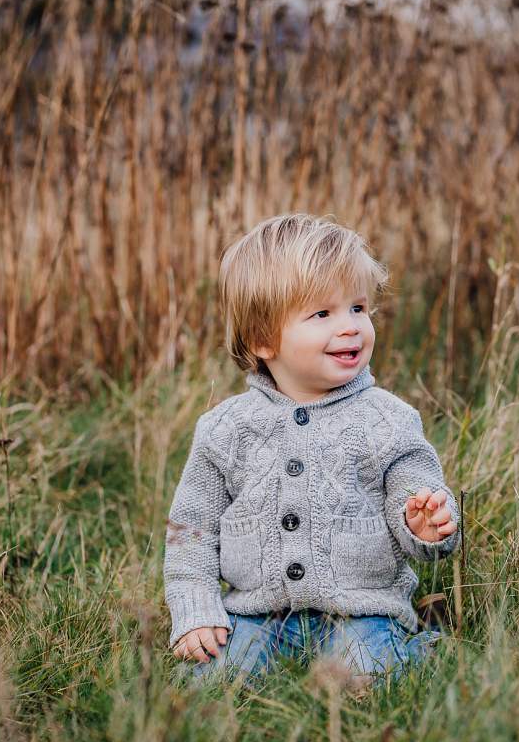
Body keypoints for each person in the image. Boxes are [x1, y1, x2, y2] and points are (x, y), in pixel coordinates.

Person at [162, 213, 461, 687]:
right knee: (208, 688)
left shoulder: (388, 420)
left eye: (358, 308)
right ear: (263, 339)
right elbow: (190, 530)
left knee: (368, 680)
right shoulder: (225, 429)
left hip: (361, 613)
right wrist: (196, 610)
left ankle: (420, 648)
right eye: (323, 314)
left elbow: (417, 491)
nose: (350, 327)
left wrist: (423, 524)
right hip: (255, 615)